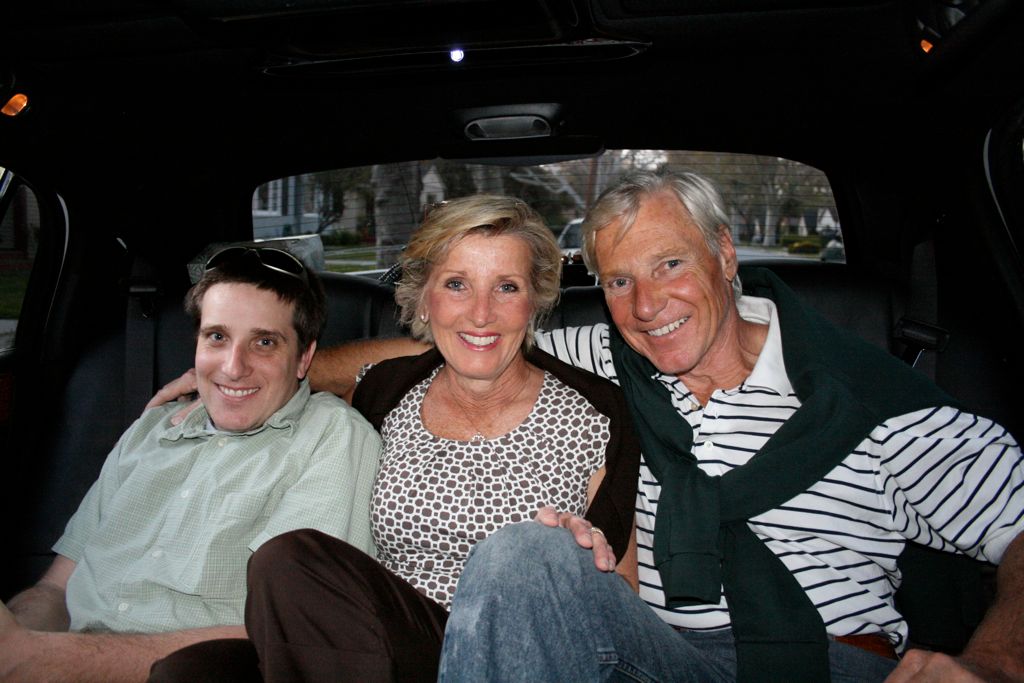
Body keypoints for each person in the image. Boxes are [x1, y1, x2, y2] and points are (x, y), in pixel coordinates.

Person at [430, 171, 1024, 682]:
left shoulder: (869, 400)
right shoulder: (603, 360)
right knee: (525, 555)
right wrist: (337, 360)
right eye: (619, 281)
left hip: (829, 664)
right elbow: (473, 343)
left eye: (670, 264)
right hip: (659, 660)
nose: (646, 305)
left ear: (723, 252)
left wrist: (994, 662)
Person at [148, 195, 641, 682]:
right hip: (381, 642)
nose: (481, 313)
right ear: (424, 298)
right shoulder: (387, 390)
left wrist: (570, 569)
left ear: (535, 301)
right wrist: (226, 377)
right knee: (188, 670)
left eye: (506, 287)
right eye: (456, 285)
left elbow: (620, 596)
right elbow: (296, 378)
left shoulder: (594, 415)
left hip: (516, 652)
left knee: (286, 560)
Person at [0, 246, 382, 683]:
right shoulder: (152, 430)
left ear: (304, 359)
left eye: (264, 342)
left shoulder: (330, 438)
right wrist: (17, 635)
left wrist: (43, 659)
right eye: (217, 337)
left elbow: (287, 639)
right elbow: (56, 588)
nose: (233, 368)